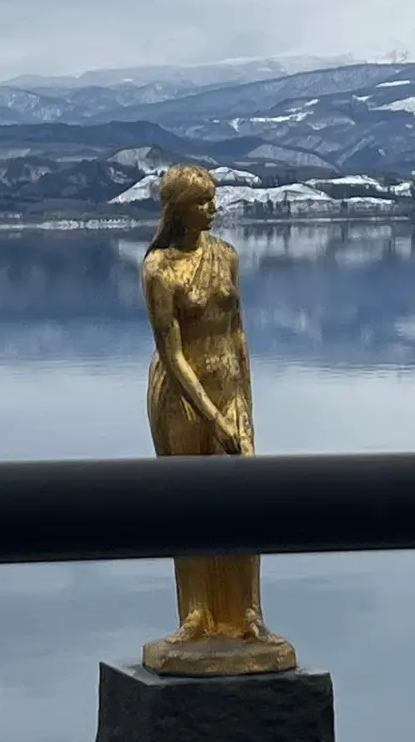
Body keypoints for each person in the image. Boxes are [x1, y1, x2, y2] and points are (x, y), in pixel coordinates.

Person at [140, 162, 296, 673]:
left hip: (230, 387)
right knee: (189, 503)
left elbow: (239, 331)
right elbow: (170, 351)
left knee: (245, 498)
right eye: (205, 201)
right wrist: (210, 416)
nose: (214, 208)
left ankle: (248, 613)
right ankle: (197, 615)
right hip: (182, 395)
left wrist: (244, 402)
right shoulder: (159, 268)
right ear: (181, 209)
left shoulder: (226, 256)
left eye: (214, 199)